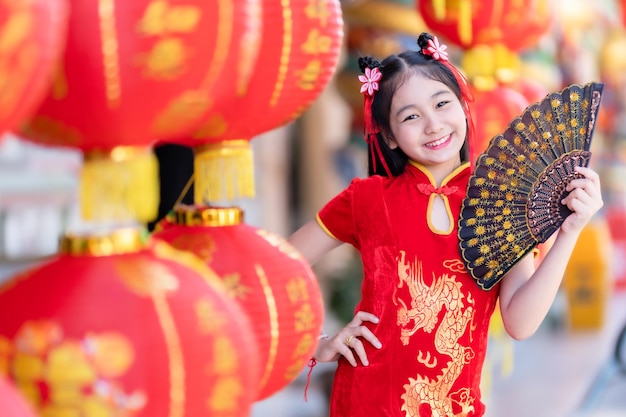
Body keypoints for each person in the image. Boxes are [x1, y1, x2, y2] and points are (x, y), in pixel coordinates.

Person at [288, 32, 604, 417]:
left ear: (463, 105)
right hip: (366, 403)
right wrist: (314, 343)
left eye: (442, 103)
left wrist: (569, 231)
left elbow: (520, 322)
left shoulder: (498, 203)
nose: (433, 125)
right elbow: (282, 265)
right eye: (410, 116)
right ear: (387, 135)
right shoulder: (366, 199)